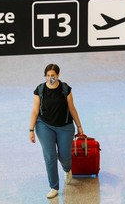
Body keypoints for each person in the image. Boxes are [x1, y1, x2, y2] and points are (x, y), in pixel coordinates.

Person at [29, 63, 84, 199]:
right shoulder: (40, 90)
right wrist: (31, 130)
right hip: (44, 126)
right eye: (47, 76)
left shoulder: (65, 89)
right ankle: (54, 187)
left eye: (52, 76)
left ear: (58, 75)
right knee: (50, 156)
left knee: (64, 156)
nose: (50, 78)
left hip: (65, 126)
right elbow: (35, 110)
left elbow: (72, 108)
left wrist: (79, 126)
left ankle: (67, 169)